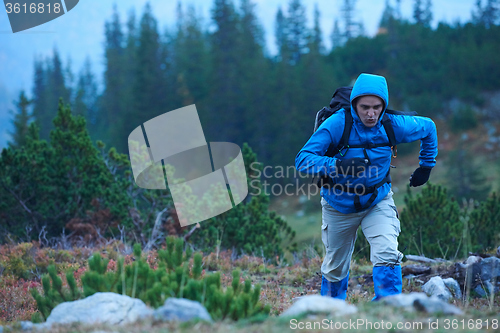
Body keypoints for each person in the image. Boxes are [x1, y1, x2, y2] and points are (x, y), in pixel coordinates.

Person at [295, 73, 438, 301]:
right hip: (338, 204)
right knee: (334, 268)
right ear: (354, 104)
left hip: (377, 200)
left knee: (388, 253)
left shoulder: (393, 125)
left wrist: (426, 165)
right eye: (365, 107)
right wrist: (339, 165)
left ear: (384, 105)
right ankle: (332, 313)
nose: (371, 114)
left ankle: (389, 309)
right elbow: (303, 160)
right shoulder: (338, 123)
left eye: (377, 107)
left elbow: (429, 127)